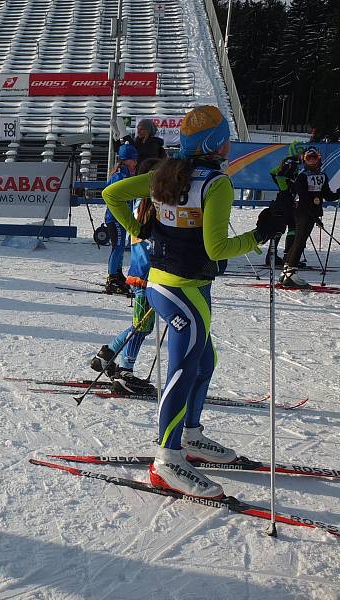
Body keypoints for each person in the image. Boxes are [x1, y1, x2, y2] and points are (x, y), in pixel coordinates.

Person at [102, 105, 285, 498]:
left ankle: (191, 436)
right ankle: (166, 460)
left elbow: (111, 194)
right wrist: (261, 234)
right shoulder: (216, 184)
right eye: (227, 137)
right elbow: (216, 247)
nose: (231, 143)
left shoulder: (164, 173)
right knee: (183, 370)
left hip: (167, 284)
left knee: (204, 362)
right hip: (184, 289)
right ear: (217, 144)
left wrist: (140, 229)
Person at [90, 158, 161, 395]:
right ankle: (125, 370)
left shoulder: (139, 204)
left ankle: (107, 355)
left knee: (142, 324)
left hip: (141, 272)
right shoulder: (152, 208)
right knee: (141, 325)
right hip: (148, 274)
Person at [280, 146, 340, 288]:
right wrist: (315, 217)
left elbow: (327, 195)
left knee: (298, 241)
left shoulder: (322, 176)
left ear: (319, 159)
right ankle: (291, 274)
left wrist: (338, 193)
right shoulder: (302, 176)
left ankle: (286, 271)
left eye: (315, 159)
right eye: (309, 159)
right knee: (299, 242)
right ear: (304, 160)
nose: (312, 162)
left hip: (312, 213)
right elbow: (305, 198)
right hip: (303, 212)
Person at [103, 142, 138, 295]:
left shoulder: (127, 175)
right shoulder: (119, 176)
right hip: (115, 217)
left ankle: (117, 273)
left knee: (120, 247)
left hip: (122, 217)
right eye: (133, 159)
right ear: (125, 160)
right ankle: (111, 278)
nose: (136, 162)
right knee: (117, 247)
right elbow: (112, 196)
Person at [267, 141, 303, 267]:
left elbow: (273, 172)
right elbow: (281, 177)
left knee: (280, 227)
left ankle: (271, 256)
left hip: (283, 199)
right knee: (292, 227)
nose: (302, 155)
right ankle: (288, 257)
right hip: (286, 200)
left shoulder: (287, 161)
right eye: (301, 152)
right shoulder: (292, 163)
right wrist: (287, 188)